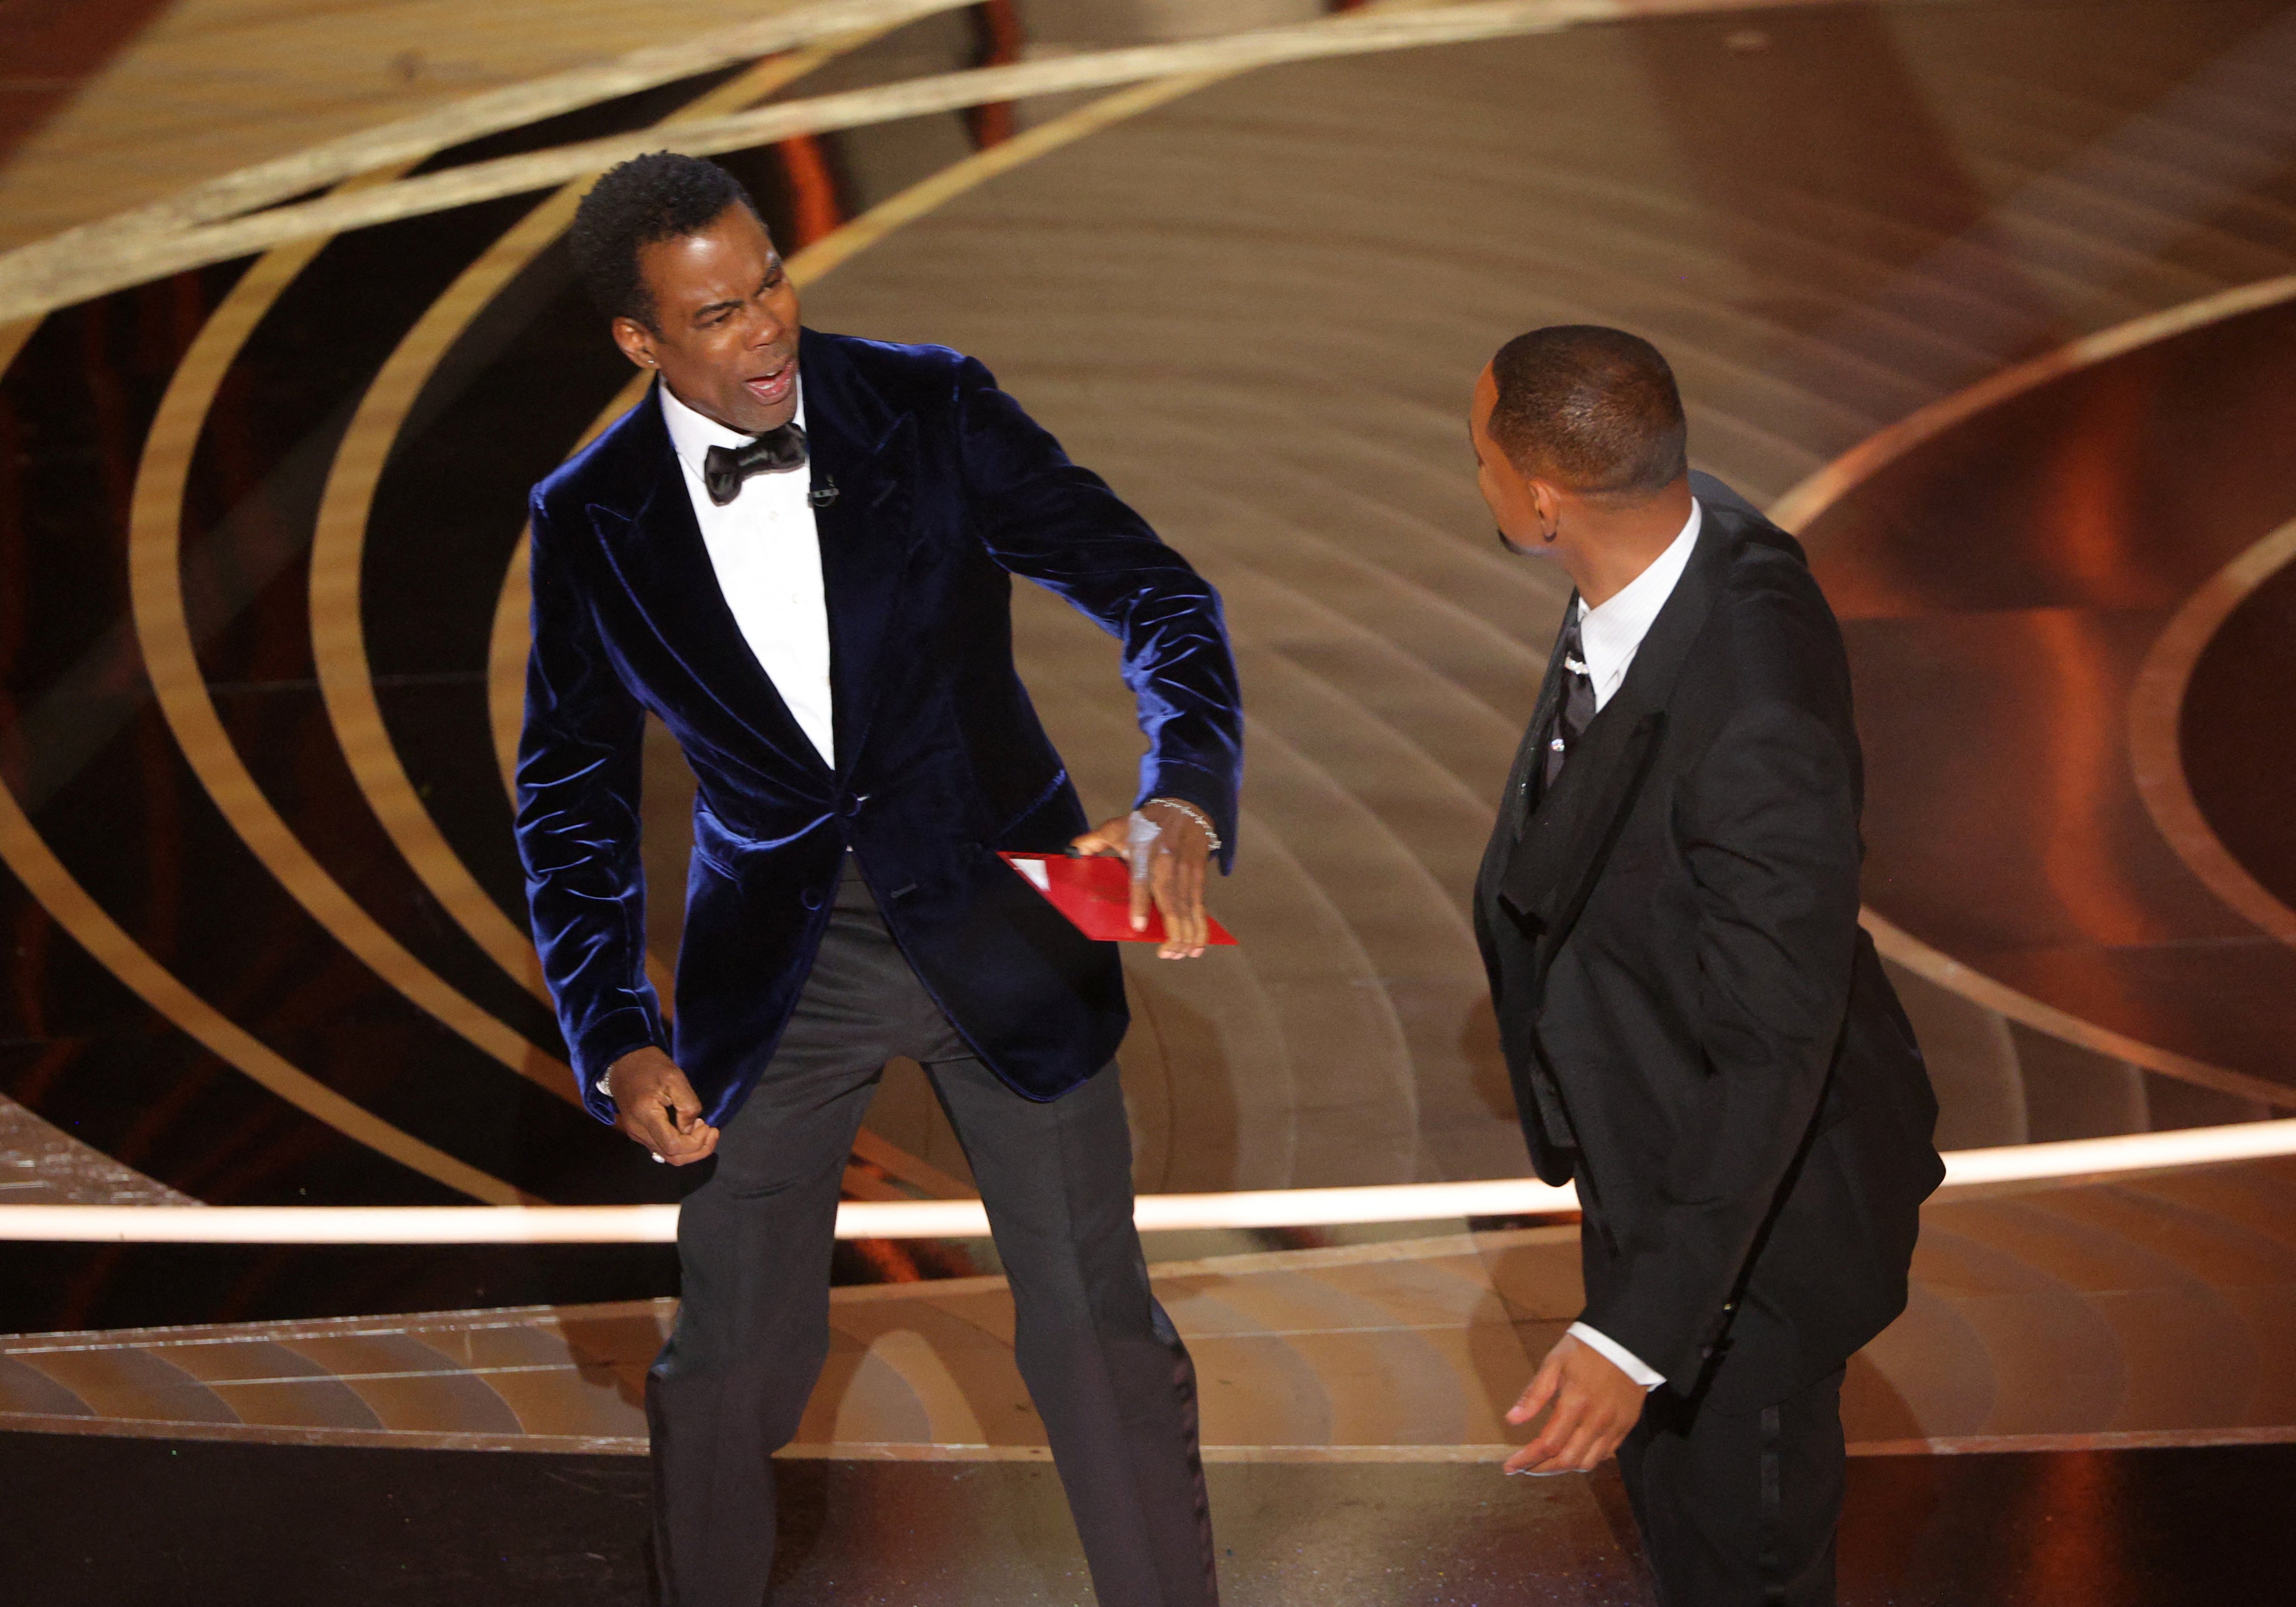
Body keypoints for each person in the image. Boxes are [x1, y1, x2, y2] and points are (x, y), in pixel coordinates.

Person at [518, 152, 1241, 1607]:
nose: (767, 327)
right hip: (782, 970)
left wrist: (1182, 794)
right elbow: (572, 794)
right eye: (715, 315)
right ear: (638, 340)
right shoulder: (587, 517)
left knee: (1095, 1338)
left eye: (770, 280)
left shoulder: (925, 403)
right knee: (724, 1361)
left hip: (1006, 919)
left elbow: (1155, 593)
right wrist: (611, 1024)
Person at [1466, 326, 1943, 1603]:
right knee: (1685, 1541)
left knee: (1745, 1556)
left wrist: (1633, 1332)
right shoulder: (1695, 535)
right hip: (1657, 1155)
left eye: (1483, 458)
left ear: (1544, 501)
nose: (1478, 477)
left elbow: (1774, 1050)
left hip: (1754, 1238)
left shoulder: (1757, 722)